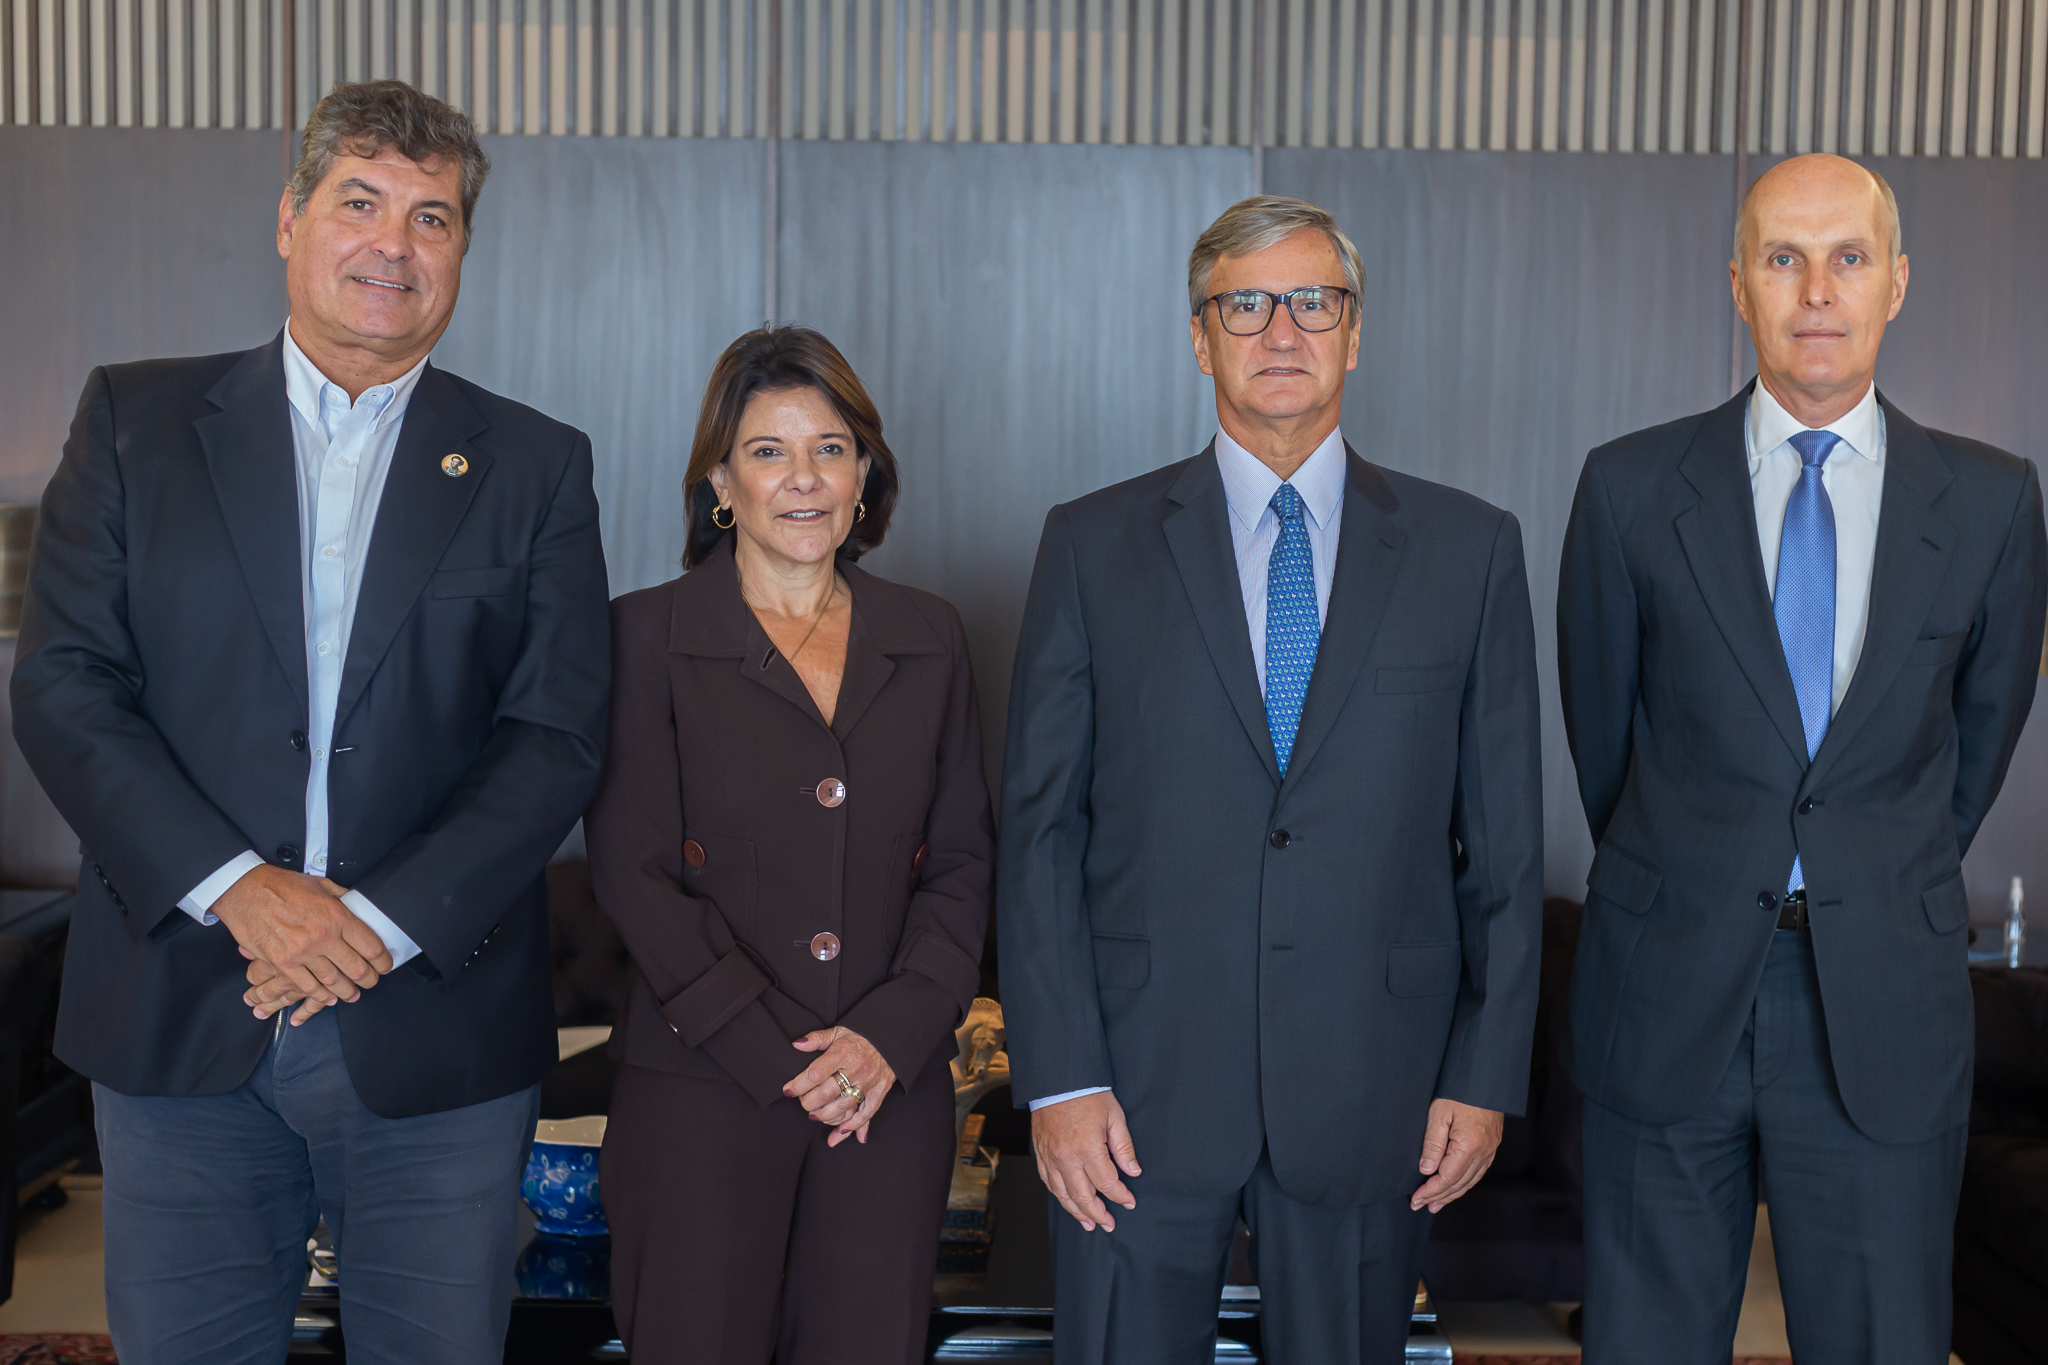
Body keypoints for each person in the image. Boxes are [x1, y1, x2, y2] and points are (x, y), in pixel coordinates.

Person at [10, 80, 611, 1365]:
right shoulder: (134, 425)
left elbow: (554, 733)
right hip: (181, 1002)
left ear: (462, 249)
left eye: (431, 217)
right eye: (360, 203)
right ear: (289, 219)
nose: (393, 245)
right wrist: (241, 891)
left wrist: (369, 926)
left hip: (435, 1024)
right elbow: (66, 685)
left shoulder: (535, 464)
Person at [997, 195, 1544, 1365]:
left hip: (1373, 1090)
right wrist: (1059, 1080)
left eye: (1312, 302)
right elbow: (1039, 835)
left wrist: (1482, 1076)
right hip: (1131, 1097)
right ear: (1199, 339)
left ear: (1355, 331)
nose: (1280, 330)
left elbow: (1503, 850)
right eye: (1243, 304)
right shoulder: (1089, 546)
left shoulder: (1468, 550)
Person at [1558, 153, 2047, 1365]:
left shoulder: (1990, 502)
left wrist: (1858, 868)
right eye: (1782, 258)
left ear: (1895, 283)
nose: (1815, 291)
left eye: (1846, 258)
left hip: (1880, 994)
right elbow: (1603, 742)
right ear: (1737, 285)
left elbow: (1971, 749)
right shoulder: (1627, 489)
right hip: (1667, 987)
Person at [587, 326, 994, 1364]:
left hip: (886, 1098)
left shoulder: (931, 635)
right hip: (701, 1096)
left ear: (865, 476)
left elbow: (962, 862)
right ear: (721, 482)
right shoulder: (642, 635)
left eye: (830, 448)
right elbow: (634, 873)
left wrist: (888, 1039)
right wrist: (784, 1061)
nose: (803, 478)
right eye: (768, 451)